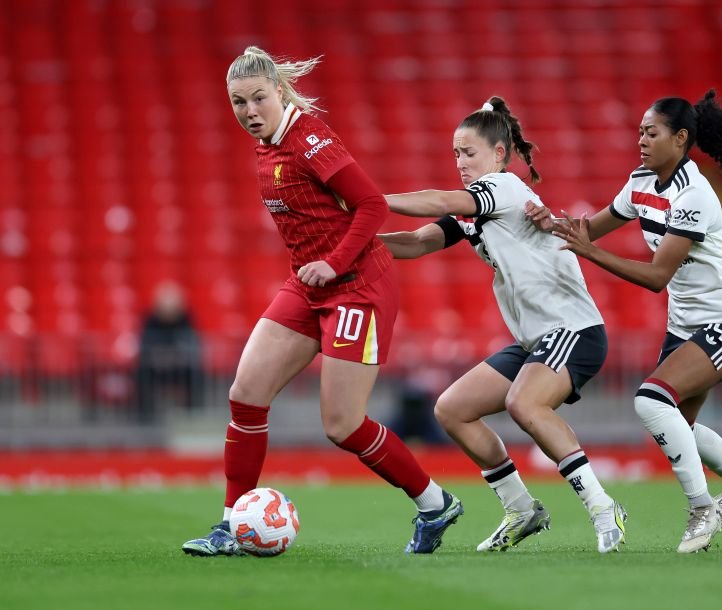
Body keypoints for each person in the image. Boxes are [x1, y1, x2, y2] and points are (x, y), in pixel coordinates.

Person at [182, 47, 462, 556]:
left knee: (342, 424)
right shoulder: (265, 144)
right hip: (307, 287)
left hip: (357, 285)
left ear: (280, 93)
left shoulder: (309, 138)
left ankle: (434, 502)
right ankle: (230, 524)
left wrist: (333, 263)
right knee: (246, 394)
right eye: (238, 102)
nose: (249, 112)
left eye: (259, 99)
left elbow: (372, 204)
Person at [527, 90, 722, 553]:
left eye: (652, 131)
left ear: (680, 139)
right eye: (640, 130)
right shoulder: (640, 180)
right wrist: (547, 223)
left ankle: (703, 509)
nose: (641, 138)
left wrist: (591, 253)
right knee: (679, 424)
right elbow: (588, 230)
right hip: (686, 323)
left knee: (650, 401)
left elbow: (658, 275)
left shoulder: (694, 195)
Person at [379, 97, 627, 554]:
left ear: (498, 153)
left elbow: (438, 199)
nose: (460, 162)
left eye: (468, 152)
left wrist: (368, 201)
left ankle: (602, 504)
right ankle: (521, 508)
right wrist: (353, 241)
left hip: (573, 329)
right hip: (537, 339)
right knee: (452, 409)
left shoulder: (504, 188)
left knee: (524, 404)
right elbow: (415, 243)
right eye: (455, 153)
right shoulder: (477, 208)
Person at [135, 281, 204, 423]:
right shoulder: (150, 319)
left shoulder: (186, 318)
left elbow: (191, 343)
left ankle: (193, 415)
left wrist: (177, 355)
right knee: (141, 373)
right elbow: (146, 345)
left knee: (196, 373)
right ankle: (146, 417)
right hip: (156, 368)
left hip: (179, 367)